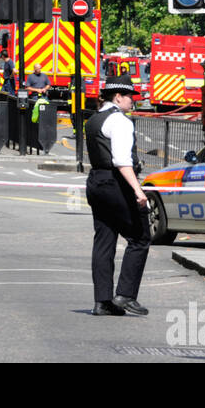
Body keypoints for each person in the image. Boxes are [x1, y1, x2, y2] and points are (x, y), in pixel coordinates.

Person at [84, 74, 150, 316]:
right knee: (140, 237)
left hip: (96, 182)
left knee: (104, 239)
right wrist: (137, 190)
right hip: (115, 183)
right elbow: (122, 160)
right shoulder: (120, 121)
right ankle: (125, 295)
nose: (133, 100)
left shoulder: (94, 120)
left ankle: (102, 301)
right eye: (130, 96)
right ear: (118, 96)